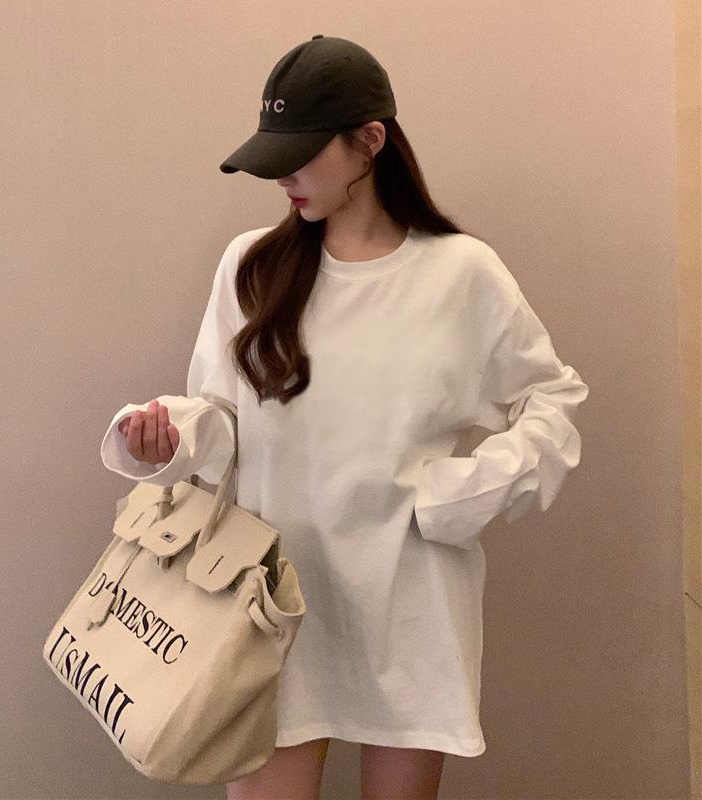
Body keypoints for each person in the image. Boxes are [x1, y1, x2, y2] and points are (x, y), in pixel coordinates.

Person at [100, 35, 590, 800]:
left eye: (299, 155)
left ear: (371, 141)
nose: (283, 178)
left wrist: (463, 494)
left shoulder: (460, 274)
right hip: (265, 607)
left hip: (407, 606)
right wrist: (162, 438)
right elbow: (222, 418)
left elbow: (552, 397)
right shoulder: (252, 266)